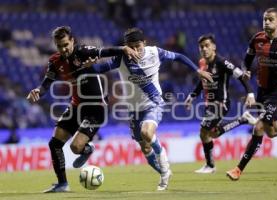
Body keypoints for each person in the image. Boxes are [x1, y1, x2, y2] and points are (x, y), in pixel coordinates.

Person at [85, 28, 213, 190]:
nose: (136, 50)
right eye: (131, 47)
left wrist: (197, 70)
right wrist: (89, 66)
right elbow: (98, 69)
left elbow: (179, 57)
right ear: (126, 46)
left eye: (138, 45)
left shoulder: (155, 52)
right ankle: (163, 172)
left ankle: (164, 164)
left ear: (144, 43)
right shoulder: (121, 58)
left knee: (147, 133)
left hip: (154, 103)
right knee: (145, 148)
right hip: (134, 109)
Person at [26, 26, 139, 193]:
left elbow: (105, 51)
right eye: (59, 46)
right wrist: (38, 91)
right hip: (76, 105)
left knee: (75, 147)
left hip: (96, 108)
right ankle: (62, 184)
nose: (63, 49)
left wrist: (123, 48)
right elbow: (47, 83)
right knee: (54, 143)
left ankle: (86, 148)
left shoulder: (83, 52)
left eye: (65, 44)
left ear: (72, 41)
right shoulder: (55, 62)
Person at [226, 8, 277, 181]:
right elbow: (246, 61)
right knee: (272, 131)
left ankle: (238, 169)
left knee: (259, 126)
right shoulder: (256, 39)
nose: (267, 22)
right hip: (262, 91)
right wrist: (246, 71)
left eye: (270, 19)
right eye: (265, 19)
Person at [184, 34, 257, 174]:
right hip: (209, 104)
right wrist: (192, 95)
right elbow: (202, 81)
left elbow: (241, 76)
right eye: (201, 47)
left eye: (207, 45)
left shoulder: (222, 62)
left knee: (203, 131)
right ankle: (243, 119)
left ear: (214, 47)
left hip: (220, 104)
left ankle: (210, 166)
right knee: (213, 134)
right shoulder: (202, 63)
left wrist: (250, 93)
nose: (204, 49)